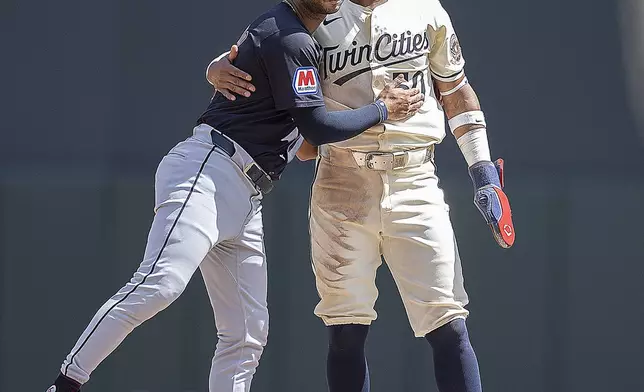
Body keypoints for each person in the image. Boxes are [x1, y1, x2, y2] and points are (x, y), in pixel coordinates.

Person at [45, 1, 424, 391]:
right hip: (210, 169)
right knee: (161, 283)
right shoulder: (288, 34)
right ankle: (66, 383)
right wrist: (382, 109)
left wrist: (213, 67)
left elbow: (307, 139)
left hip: (248, 191)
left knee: (247, 332)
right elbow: (318, 125)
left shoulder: (303, 37)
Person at [206, 0, 515, 391]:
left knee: (448, 323)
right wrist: (215, 65)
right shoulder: (321, 8)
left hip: (414, 176)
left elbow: (456, 90)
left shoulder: (424, 9)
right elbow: (264, 40)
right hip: (342, 178)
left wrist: (484, 174)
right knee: (345, 328)